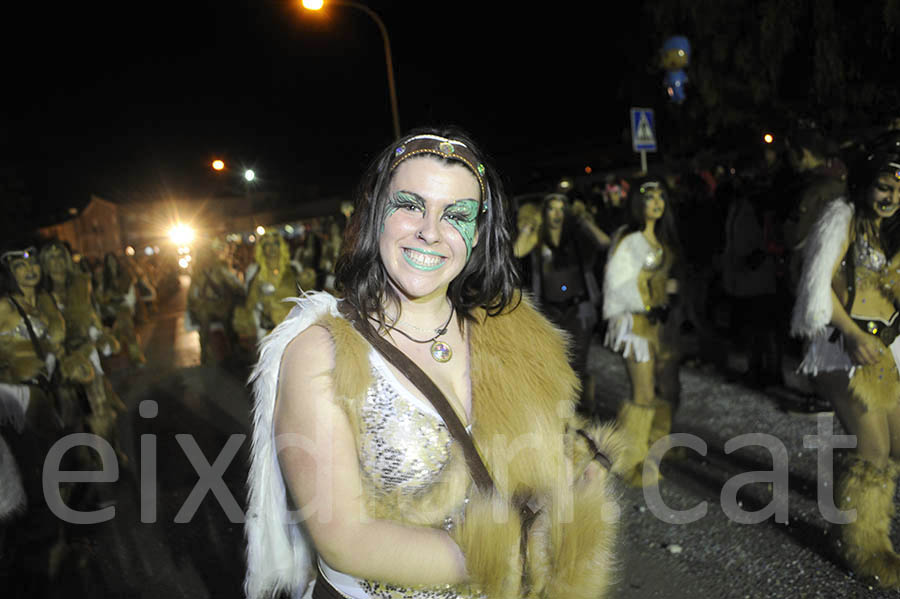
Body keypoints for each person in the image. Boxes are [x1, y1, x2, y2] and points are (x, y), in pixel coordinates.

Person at [244, 128, 622, 599]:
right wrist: (514, 554)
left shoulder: (517, 333)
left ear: (478, 233)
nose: (430, 231)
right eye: (410, 205)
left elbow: (543, 458)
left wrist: (574, 484)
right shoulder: (321, 353)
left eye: (456, 214)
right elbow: (346, 540)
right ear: (375, 213)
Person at [790, 134, 900, 589]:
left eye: (898, 189)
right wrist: (853, 334)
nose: (892, 197)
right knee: (872, 449)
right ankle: (869, 549)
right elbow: (816, 290)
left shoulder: (896, 229)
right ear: (864, 185)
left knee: (894, 447)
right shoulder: (842, 219)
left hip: (888, 351)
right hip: (843, 348)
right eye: (883, 187)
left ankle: (849, 519)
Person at [602, 177, 682, 487]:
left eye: (662, 196)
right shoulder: (629, 238)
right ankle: (632, 462)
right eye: (650, 197)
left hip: (658, 325)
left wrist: (668, 293)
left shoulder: (661, 239)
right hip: (635, 324)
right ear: (638, 203)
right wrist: (646, 305)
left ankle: (654, 451)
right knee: (643, 393)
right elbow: (617, 283)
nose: (657, 202)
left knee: (662, 389)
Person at [513, 192, 610, 418]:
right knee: (554, 364)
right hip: (549, 312)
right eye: (551, 209)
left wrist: (585, 220)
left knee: (579, 365)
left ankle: (582, 415)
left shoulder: (576, 237)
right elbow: (515, 252)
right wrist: (528, 226)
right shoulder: (538, 239)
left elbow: (604, 242)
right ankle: (559, 415)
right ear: (544, 212)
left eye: (561, 209)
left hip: (578, 309)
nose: (557, 214)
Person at [233, 231, 304, 347]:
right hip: (267, 330)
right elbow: (250, 304)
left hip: (295, 327)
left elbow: (305, 296)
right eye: (267, 245)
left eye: (275, 244)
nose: (272, 249)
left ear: (281, 246)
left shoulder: (294, 268)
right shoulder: (255, 271)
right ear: (262, 249)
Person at [186, 240, 245, 364]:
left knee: (223, 326)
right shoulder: (202, 272)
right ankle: (210, 354)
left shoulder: (215, 269)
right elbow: (193, 292)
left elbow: (230, 281)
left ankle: (229, 349)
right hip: (210, 305)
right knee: (209, 329)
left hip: (215, 304)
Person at [96, 252, 147, 367]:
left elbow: (128, 293)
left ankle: (136, 357)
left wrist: (118, 298)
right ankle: (118, 350)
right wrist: (106, 301)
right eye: (108, 261)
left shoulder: (125, 275)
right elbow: (100, 295)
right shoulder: (103, 277)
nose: (111, 263)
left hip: (123, 307)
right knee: (116, 332)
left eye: (113, 260)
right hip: (108, 308)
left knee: (128, 330)